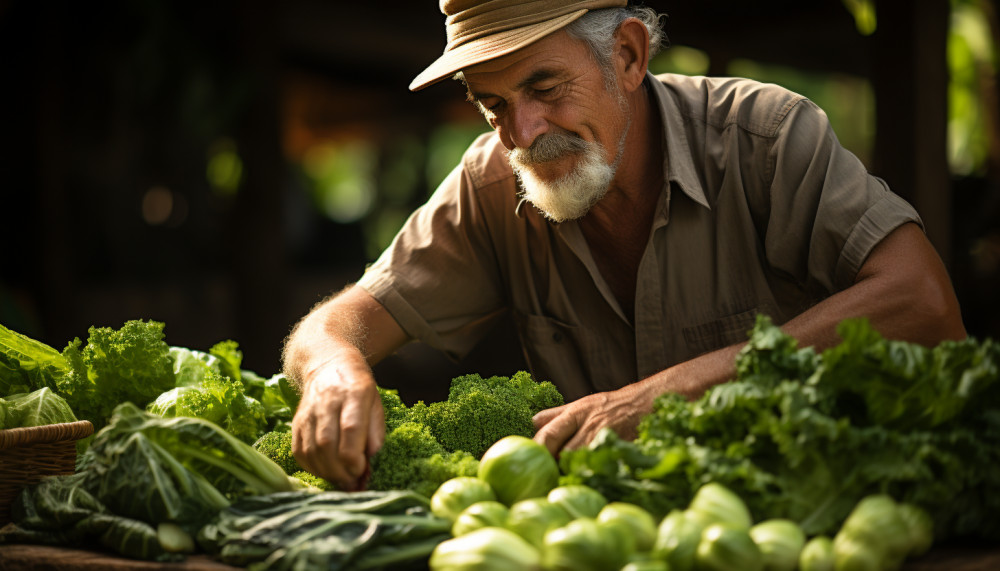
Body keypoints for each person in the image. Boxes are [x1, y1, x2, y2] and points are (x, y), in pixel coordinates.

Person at [282, 0, 967, 491]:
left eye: (544, 87)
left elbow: (926, 305)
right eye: (492, 105)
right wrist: (335, 372)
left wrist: (662, 396)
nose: (522, 132)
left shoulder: (767, 140)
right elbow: (328, 328)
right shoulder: (491, 183)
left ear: (629, 56)